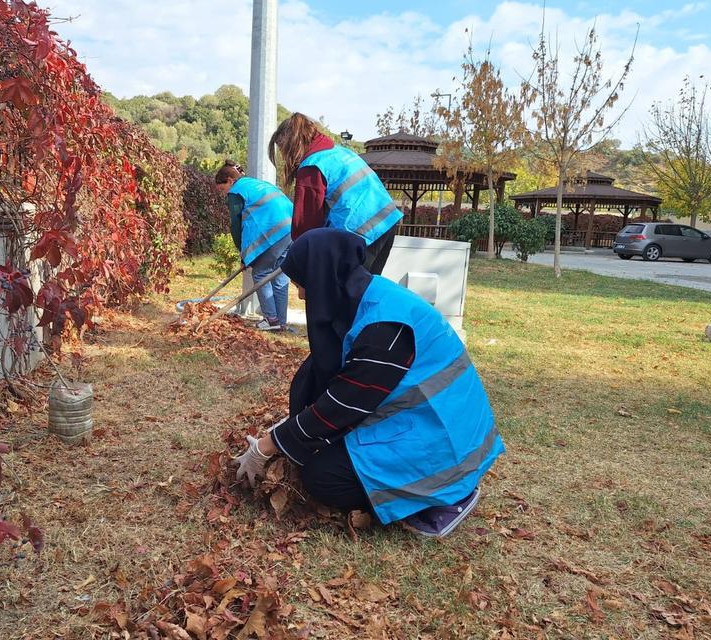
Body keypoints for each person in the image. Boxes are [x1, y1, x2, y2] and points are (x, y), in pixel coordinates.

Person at [233, 229, 504, 537]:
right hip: (419, 418)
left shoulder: (385, 328)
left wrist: (269, 444)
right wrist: (292, 431)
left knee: (323, 479)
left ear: (321, 277)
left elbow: (341, 406)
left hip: (444, 441)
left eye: (301, 284)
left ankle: (446, 495)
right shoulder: (368, 294)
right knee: (315, 424)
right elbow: (340, 381)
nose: (301, 295)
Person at [267, 113, 403, 275]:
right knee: (366, 291)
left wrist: (301, 262)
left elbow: (306, 227)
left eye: (282, 150)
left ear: (291, 144)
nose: (283, 156)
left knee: (342, 294)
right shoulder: (340, 152)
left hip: (361, 233)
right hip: (387, 222)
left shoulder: (312, 166)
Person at [215, 161, 292, 331]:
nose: (224, 193)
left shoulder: (236, 191)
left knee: (261, 273)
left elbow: (236, 224)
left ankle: (271, 320)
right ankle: (281, 322)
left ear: (229, 181)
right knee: (279, 277)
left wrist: (243, 255)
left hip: (273, 232)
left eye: (222, 189)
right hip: (290, 230)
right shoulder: (255, 183)